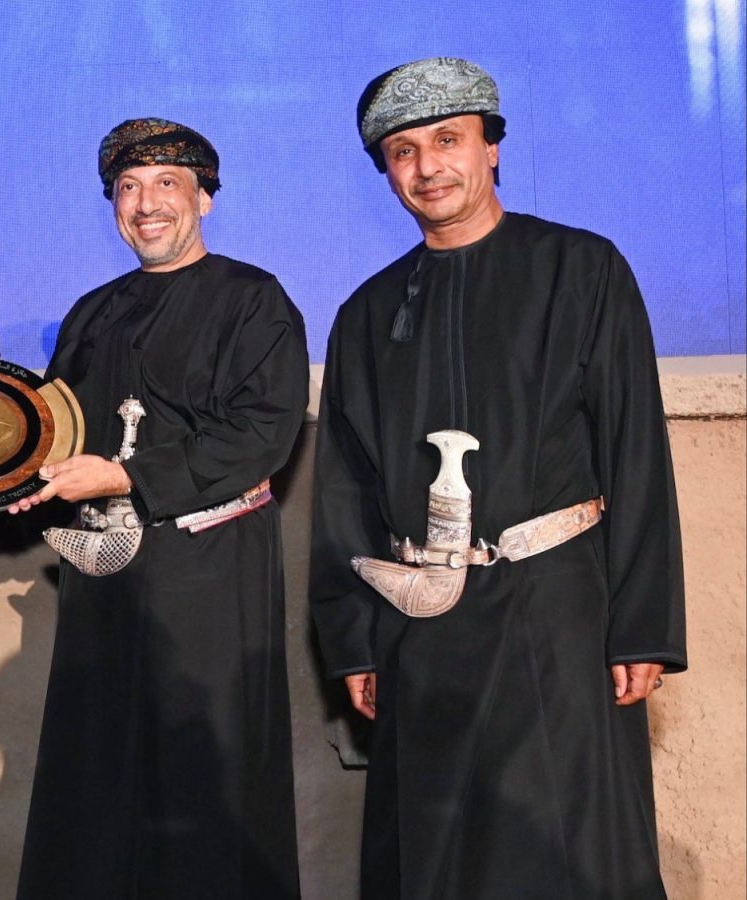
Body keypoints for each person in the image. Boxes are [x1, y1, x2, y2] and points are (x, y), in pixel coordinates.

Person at [310, 57, 687, 898]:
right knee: (437, 859)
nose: (427, 166)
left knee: (566, 852)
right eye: (402, 151)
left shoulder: (582, 271)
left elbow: (636, 453)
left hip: (558, 617)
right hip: (419, 630)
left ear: (492, 150)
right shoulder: (366, 314)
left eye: (448, 140)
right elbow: (345, 493)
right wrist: (352, 640)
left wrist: (641, 628)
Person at [12, 118, 307, 899]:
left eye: (167, 185)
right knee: (97, 787)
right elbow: (51, 427)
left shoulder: (255, 301)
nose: (145, 205)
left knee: (204, 786)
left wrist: (121, 477)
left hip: (209, 581)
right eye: (128, 188)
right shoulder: (92, 312)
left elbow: (262, 436)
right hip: (105, 585)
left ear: (204, 198)